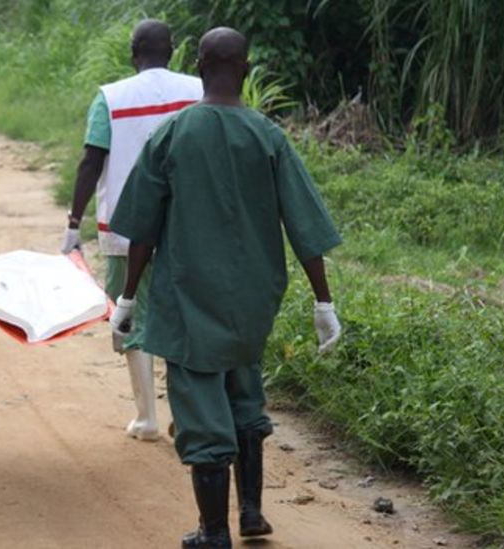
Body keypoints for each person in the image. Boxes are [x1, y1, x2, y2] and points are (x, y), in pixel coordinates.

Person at [107, 27, 343, 549]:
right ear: (247, 66)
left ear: (197, 64)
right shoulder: (268, 136)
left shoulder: (173, 135)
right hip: (252, 303)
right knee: (245, 394)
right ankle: (252, 512)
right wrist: (323, 301)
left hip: (189, 300)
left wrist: (127, 297)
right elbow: (304, 225)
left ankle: (213, 530)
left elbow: (142, 229)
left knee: (201, 412)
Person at [61, 19, 203, 442]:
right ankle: (188, 411)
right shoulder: (199, 90)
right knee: (183, 315)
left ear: (132, 53)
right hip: (188, 226)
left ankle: (147, 417)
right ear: (173, 50)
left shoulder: (112, 97)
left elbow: (92, 160)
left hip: (127, 228)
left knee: (129, 314)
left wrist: (73, 222)